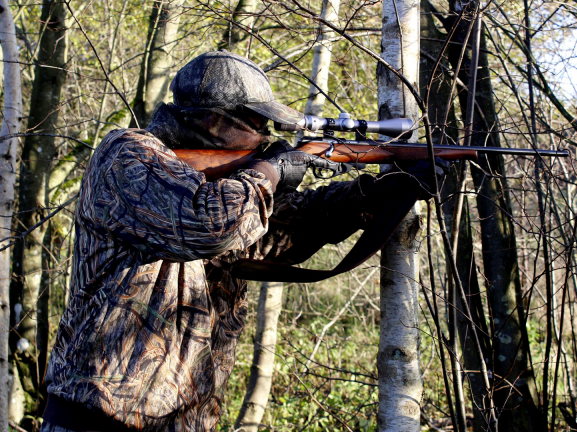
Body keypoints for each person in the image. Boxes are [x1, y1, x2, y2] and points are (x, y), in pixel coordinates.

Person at [41, 51, 439, 432]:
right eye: (256, 123)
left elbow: (285, 232)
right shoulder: (128, 155)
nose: (265, 136)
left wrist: (379, 194)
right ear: (213, 121)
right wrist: (269, 172)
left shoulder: (224, 188)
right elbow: (211, 224)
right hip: (98, 421)